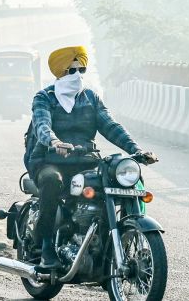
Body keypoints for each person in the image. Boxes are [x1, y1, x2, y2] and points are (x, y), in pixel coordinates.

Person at [28, 46, 157, 269]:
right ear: (59, 73)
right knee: (52, 181)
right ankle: (46, 246)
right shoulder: (44, 98)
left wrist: (136, 151)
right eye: (71, 70)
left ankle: (116, 242)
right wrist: (54, 142)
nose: (77, 75)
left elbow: (110, 126)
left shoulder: (90, 98)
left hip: (84, 160)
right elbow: (42, 125)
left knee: (118, 179)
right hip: (49, 160)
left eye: (82, 69)